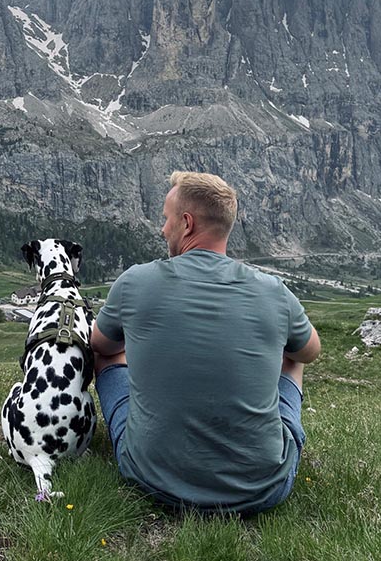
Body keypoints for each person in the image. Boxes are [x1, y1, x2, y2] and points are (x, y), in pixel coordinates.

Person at [91, 171, 321, 514]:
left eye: (166, 219)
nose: (162, 229)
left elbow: (101, 345)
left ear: (186, 224)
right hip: (264, 489)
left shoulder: (135, 282)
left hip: (151, 479)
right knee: (293, 356)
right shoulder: (274, 291)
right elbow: (310, 351)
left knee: (106, 357)